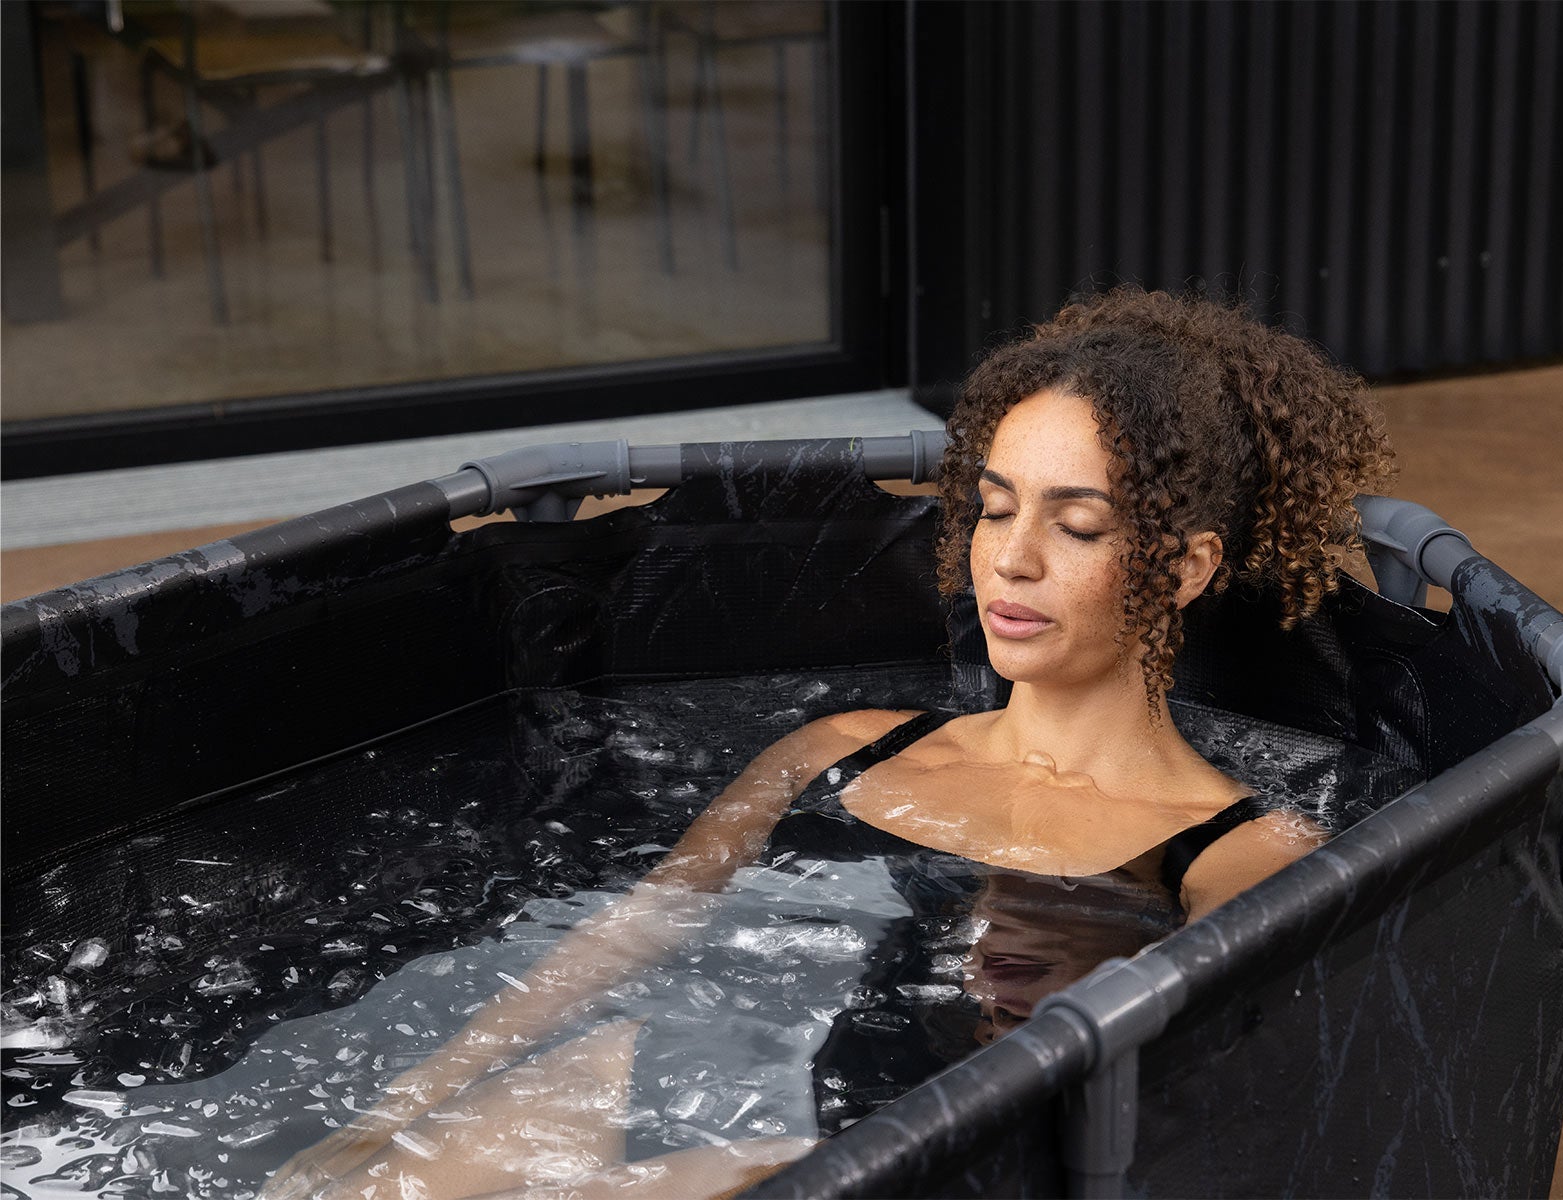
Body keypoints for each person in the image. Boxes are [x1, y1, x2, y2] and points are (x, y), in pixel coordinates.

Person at [265, 286, 1394, 1199]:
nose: (1012, 558)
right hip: (705, 1061)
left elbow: (1189, 1127)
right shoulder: (843, 746)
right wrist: (396, 1109)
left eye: (1078, 523)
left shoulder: (1238, 853)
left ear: (1187, 567)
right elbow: (636, 934)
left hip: (908, 1149)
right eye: (996, 508)